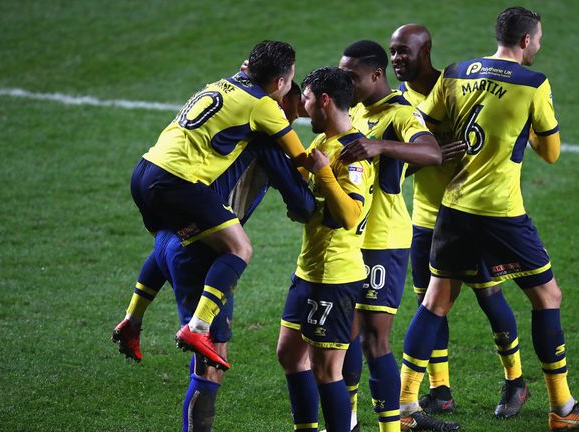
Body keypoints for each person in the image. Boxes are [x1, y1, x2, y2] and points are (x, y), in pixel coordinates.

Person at [398, 7, 579, 431]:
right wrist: (524, 129)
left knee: (434, 302)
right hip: (501, 214)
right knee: (547, 297)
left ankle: (406, 409)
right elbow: (551, 154)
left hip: (452, 208)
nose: (539, 45)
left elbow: (423, 122)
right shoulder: (534, 84)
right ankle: (563, 410)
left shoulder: (457, 72)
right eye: (538, 39)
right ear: (525, 41)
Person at [113, 86, 315, 432]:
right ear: (281, 101)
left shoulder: (232, 126)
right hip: (201, 253)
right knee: (209, 366)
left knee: (169, 251)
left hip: (170, 236)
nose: (298, 115)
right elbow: (302, 205)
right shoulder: (266, 140)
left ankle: (132, 320)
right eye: (297, 105)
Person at [124, 40, 310, 370]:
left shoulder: (223, 83)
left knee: (175, 233)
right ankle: (198, 328)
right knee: (239, 249)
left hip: (145, 170)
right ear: (280, 84)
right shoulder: (264, 106)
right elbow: (299, 155)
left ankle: (131, 319)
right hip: (177, 181)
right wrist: (326, 174)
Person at [390, 24, 530, 420]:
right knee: (427, 304)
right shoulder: (397, 103)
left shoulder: (460, 87)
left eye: (404, 51)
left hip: (471, 217)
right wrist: (429, 157)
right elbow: (396, 171)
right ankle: (440, 390)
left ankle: (516, 380)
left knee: (489, 295)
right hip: (425, 218)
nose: (397, 59)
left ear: (426, 50)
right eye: (393, 52)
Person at [335, 40, 457, 432]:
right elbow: (393, 168)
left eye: (352, 77)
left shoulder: (401, 113)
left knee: (373, 337)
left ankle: (400, 418)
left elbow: (431, 152)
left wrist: (381, 145)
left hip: (383, 242)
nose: (346, 84)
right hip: (350, 236)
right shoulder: (353, 108)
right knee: (347, 334)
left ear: (375, 75)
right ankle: (350, 418)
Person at [276, 66, 375, 432]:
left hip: (335, 276)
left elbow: (350, 215)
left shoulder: (353, 154)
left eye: (306, 99)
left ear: (324, 100)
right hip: (309, 270)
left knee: (326, 369)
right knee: (289, 354)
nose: (302, 105)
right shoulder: (321, 145)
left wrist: (324, 174)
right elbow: (315, 208)